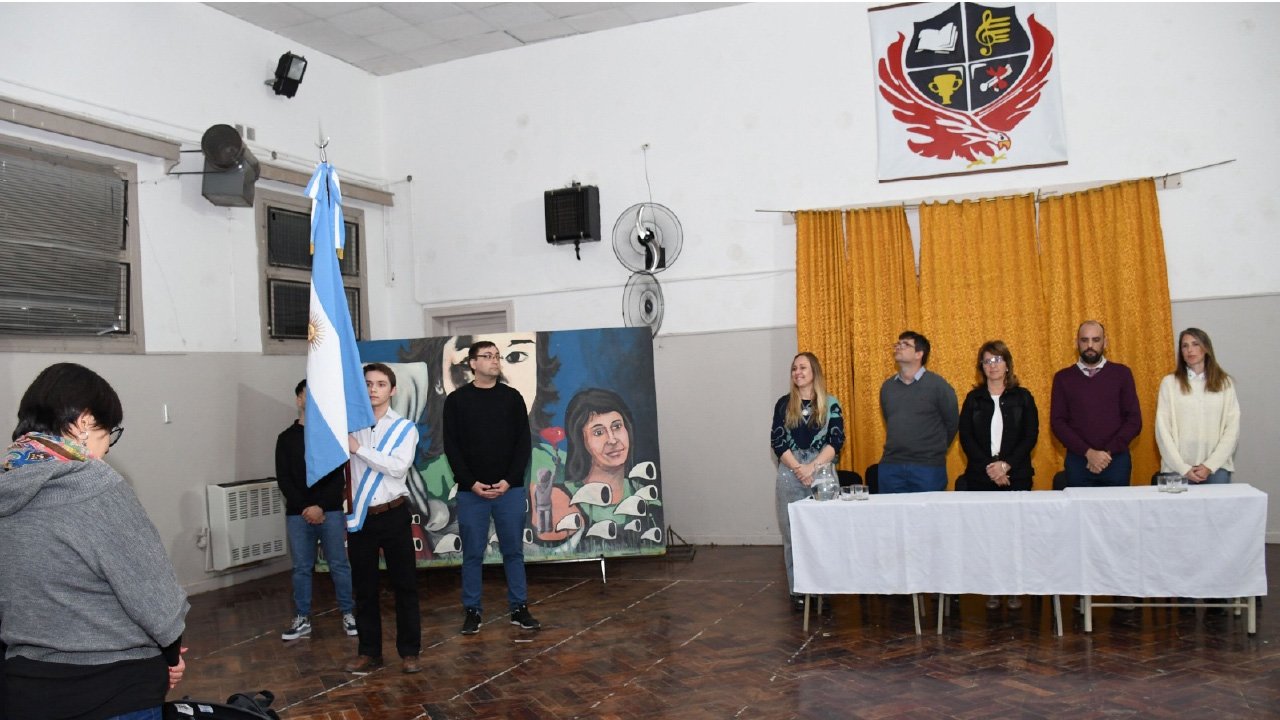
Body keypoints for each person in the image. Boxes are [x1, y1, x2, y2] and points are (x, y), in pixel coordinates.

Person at [0, 363, 188, 719]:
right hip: (113, 689)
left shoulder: (6, 487)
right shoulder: (96, 485)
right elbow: (154, 597)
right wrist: (171, 655)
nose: (107, 449)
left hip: (27, 690)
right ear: (84, 422)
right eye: (109, 433)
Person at [444, 340, 541, 635]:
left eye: (497, 356)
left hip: (509, 491)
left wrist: (509, 481)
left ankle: (519, 608)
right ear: (472, 364)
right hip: (470, 492)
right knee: (473, 554)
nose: (495, 360)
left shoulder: (512, 398)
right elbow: (452, 447)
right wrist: (471, 483)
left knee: (513, 552)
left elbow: (522, 444)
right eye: (487, 356)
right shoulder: (457, 401)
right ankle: (472, 610)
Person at [344, 363, 422, 675]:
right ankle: (368, 651)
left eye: (380, 384)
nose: (373, 389)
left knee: (405, 585)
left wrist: (359, 450)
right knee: (364, 588)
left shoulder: (405, 428)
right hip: (361, 517)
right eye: (367, 384)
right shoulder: (349, 426)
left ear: (392, 390)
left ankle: (410, 652)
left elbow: (397, 467)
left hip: (393, 514)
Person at [957, 341, 1039, 610]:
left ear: (1007, 364)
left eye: (997, 360)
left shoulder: (1023, 397)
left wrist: (1006, 466)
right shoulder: (974, 399)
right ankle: (992, 587)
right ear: (981, 367)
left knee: (1014, 536)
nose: (992, 366)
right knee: (988, 537)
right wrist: (991, 468)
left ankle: (1014, 587)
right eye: (987, 361)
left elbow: (1030, 436)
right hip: (981, 478)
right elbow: (966, 438)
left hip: (1017, 477)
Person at [276, 379, 357, 642]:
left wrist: (320, 506)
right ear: (299, 399)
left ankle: (349, 613)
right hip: (298, 514)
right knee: (301, 567)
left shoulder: (331, 435)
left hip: (330, 511)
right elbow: (284, 479)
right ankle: (302, 617)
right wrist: (306, 507)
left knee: (339, 564)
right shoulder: (286, 438)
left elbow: (337, 478)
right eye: (306, 395)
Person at [771, 352, 845, 610]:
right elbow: (777, 441)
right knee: (792, 534)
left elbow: (836, 440)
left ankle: (824, 586)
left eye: (802, 367)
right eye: (794, 368)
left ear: (814, 372)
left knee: (824, 533)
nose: (797, 372)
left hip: (822, 471)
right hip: (789, 472)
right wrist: (798, 468)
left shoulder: (831, 403)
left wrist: (812, 467)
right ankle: (798, 589)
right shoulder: (783, 404)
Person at [1050, 321, 1142, 487]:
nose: (1090, 345)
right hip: (1078, 463)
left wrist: (1106, 453)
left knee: (1117, 505)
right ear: (1076, 343)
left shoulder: (1122, 374)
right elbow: (1058, 423)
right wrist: (1088, 453)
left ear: (1105, 343)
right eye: (1084, 340)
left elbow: (1134, 421)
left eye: (1096, 340)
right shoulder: (1063, 378)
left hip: (1116, 462)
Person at [1155, 328, 1240, 484]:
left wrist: (1209, 465)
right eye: (1185, 346)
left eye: (1195, 344)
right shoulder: (1169, 383)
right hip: (1177, 469)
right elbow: (1163, 430)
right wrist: (1183, 468)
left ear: (1206, 348)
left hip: (1216, 469)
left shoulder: (1224, 383)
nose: (1190, 350)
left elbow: (1232, 429)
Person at [878, 331, 959, 493]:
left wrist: (934, 450)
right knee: (891, 510)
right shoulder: (887, 387)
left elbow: (952, 423)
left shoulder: (938, 386)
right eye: (898, 344)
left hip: (927, 467)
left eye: (905, 344)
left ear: (919, 354)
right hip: (891, 466)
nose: (898, 347)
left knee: (930, 510)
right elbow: (890, 420)